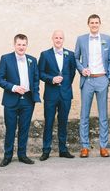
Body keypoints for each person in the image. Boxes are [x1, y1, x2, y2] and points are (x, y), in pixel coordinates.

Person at [0, 34, 41, 167]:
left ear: (26, 45)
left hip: (27, 100)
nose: (21, 47)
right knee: (10, 129)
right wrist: (14, 87)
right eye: (19, 44)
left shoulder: (32, 60)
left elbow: (35, 79)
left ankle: (22, 155)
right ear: (14, 45)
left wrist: (35, 94)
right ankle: (7, 156)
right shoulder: (5, 59)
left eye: (24, 44)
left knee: (24, 128)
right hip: (11, 100)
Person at [75, 14, 110, 158]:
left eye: (96, 22)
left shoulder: (107, 39)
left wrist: (109, 77)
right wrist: (81, 69)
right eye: (92, 22)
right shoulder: (81, 39)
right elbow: (75, 58)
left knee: (103, 115)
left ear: (100, 24)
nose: (94, 25)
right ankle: (84, 146)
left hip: (102, 79)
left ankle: (103, 146)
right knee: (84, 114)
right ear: (88, 24)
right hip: (88, 81)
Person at [39, 30, 76, 161]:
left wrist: (65, 85)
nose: (58, 40)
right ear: (52, 39)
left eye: (61, 38)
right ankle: (46, 150)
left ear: (63, 39)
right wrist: (52, 79)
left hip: (65, 94)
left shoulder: (70, 55)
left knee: (63, 122)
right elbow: (40, 73)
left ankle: (63, 149)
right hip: (50, 94)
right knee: (48, 122)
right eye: (56, 38)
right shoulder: (45, 54)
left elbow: (72, 73)